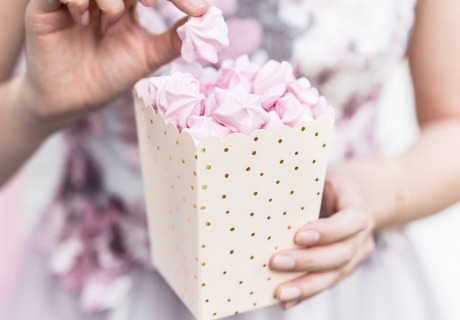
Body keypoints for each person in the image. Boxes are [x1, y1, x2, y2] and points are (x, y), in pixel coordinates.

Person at [1, 0, 459, 319]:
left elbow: (451, 125)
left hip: (341, 287)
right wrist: (34, 105)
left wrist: (372, 190)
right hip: (110, 289)